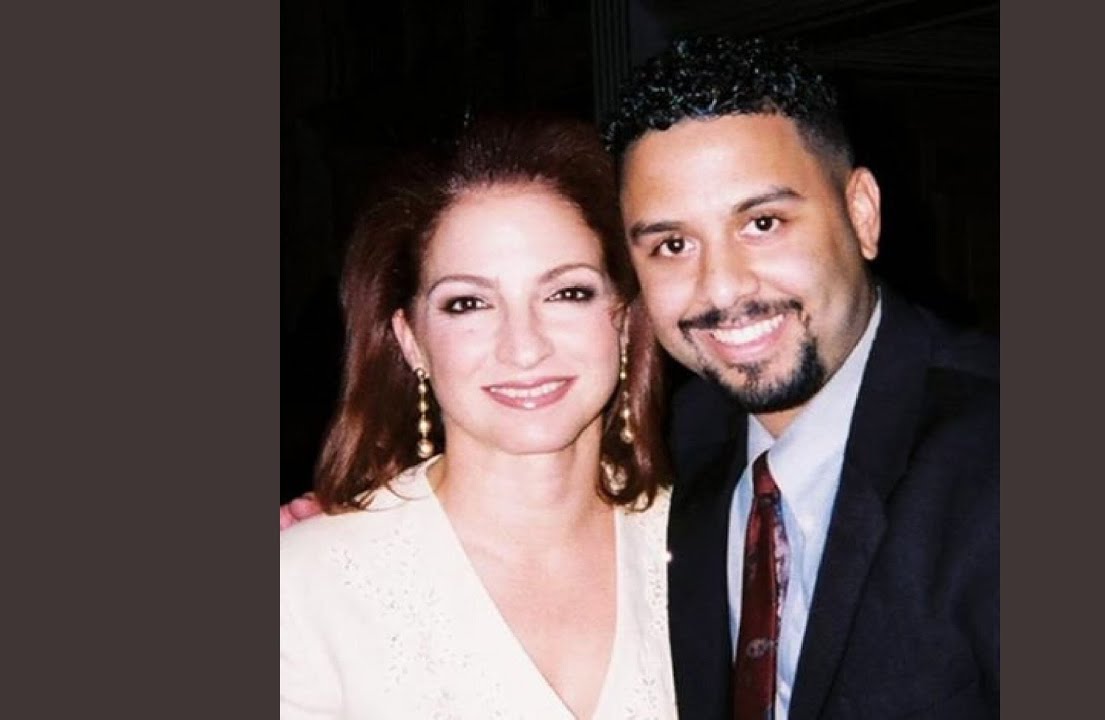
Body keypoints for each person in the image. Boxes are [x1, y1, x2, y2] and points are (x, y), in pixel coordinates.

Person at [602, 36, 998, 718]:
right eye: (673, 245)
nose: (722, 288)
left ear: (862, 213)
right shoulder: (669, 450)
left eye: (763, 223)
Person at [279, 115, 678, 719]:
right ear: (411, 339)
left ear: (623, 319)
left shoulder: (717, 542)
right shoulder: (308, 585)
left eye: (567, 293)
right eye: (468, 303)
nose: (524, 347)